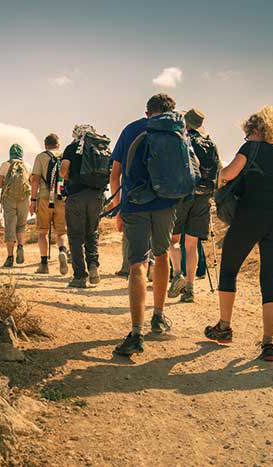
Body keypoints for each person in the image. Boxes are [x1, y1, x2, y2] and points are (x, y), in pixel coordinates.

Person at [204, 106, 273, 362]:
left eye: (248, 134)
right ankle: (268, 343)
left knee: (229, 270)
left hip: (249, 217)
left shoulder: (250, 149)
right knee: (270, 279)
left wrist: (221, 177)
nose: (246, 138)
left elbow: (227, 174)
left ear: (256, 130)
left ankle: (224, 327)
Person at [108, 93, 181, 356]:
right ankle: (158, 317)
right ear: (171, 111)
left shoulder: (131, 129)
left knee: (137, 264)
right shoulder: (177, 130)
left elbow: (114, 174)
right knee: (162, 256)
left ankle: (136, 334)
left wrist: (117, 209)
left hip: (135, 205)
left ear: (147, 111)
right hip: (166, 204)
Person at [168, 108, 220, 303]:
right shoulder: (210, 143)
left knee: (173, 240)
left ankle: (177, 275)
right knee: (192, 245)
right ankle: (190, 288)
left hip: (183, 196)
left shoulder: (182, 140)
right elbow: (219, 171)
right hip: (204, 197)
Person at [60, 125, 107, 287]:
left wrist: (68, 175)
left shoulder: (72, 148)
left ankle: (80, 276)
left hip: (76, 197)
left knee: (75, 236)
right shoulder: (100, 148)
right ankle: (93, 266)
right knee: (92, 233)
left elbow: (63, 171)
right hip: (97, 196)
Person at [29, 134, 69, 275]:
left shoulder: (41, 157)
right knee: (61, 232)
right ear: (58, 144)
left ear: (45, 145)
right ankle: (63, 251)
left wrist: (33, 201)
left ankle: (44, 264)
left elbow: (35, 180)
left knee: (42, 232)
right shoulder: (65, 155)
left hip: (44, 198)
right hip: (61, 198)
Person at [0, 144, 32, 267]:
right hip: (24, 199)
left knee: (10, 227)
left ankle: (10, 257)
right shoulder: (27, 166)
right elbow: (31, 183)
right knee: (21, 225)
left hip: (9, 199)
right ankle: (21, 246)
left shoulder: (5, 165)